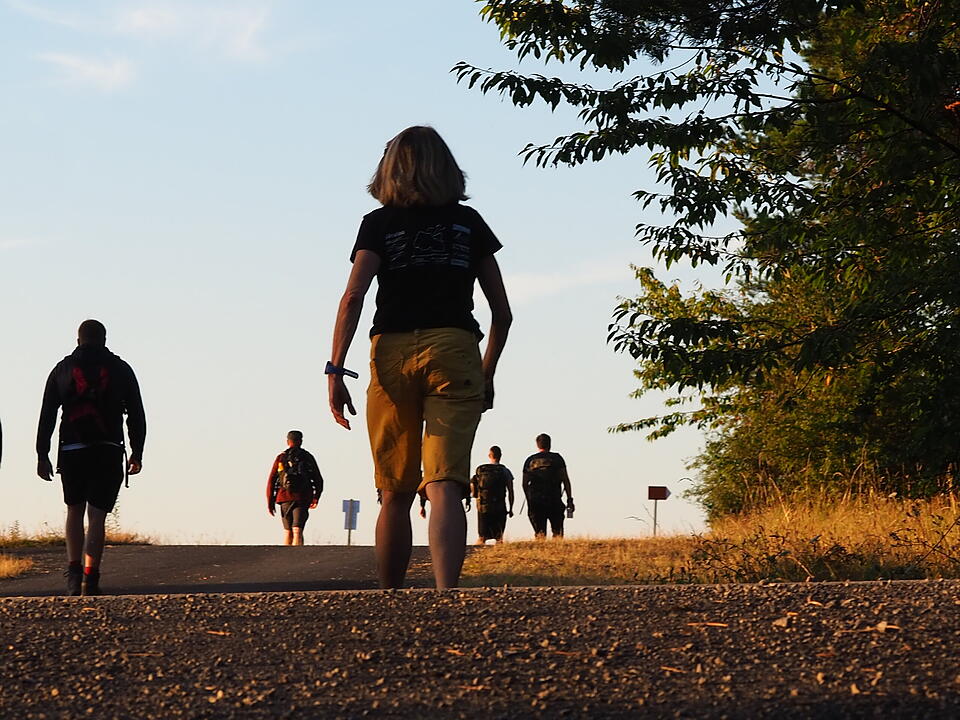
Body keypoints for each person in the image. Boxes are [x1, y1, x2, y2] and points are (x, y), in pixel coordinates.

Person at [328, 125, 512, 589]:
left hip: (389, 349)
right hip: (454, 346)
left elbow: (353, 297)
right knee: (446, 481)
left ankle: (391, 597)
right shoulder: (469, 223)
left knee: (394, 490)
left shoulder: (378, 223)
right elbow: (502, 313)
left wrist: (335, 368)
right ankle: (446, 594)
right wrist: (486, 372)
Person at [36, 320, 146, 596]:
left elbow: (47, 413)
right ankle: (90, 577)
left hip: (72, 448)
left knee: (74, 509)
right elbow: (136, 413)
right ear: (105, 339)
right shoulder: (121, 369)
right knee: (97, 516)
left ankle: (73, 575)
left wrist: (42, 454)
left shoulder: (62, 369)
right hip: (108, 448)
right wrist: (137, 451)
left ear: (78, 340)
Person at [266, 430, 324, 546]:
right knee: (297, 530)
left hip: (284, 497)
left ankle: (286, 559)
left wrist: (270, 502)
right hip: (303, 497)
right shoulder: (307, 457)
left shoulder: (281, 458)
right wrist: (316, 497)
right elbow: (318, 479)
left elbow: (272, 480)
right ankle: (297, 556)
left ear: (288, 441)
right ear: (301, 441)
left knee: (287, 531)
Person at [522, 433, 574, 539]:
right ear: (550, 444)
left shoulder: (530, 460)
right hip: (554, 499)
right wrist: (569, 499)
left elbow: (524, 483)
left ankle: (542, 553)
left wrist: (529, 500)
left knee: (540, 534)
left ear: (537, 445)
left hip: (536, 502)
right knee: (558, 532)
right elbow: (565, 480)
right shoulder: (557, 459)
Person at [470, 445, 514, 544]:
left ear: (489, 455)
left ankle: (480, 557)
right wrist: (511, 509)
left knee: (482, 537)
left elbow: (473, 484)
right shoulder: (504, 471)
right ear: (500, 456)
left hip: (483, 507)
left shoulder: (481, 470)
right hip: (499, 507)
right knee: (499, 538)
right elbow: (511, 490)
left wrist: (475, 496)